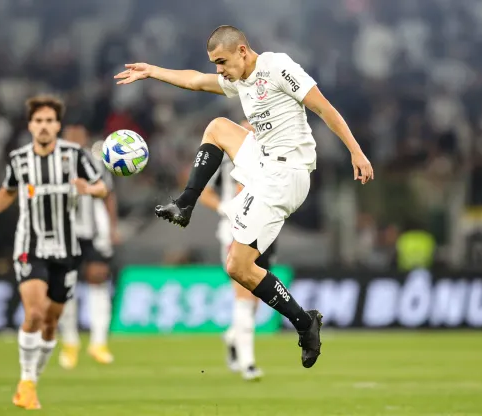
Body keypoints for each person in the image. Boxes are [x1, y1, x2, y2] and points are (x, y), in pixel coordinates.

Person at [114, 25, 374, 368]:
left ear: (242, 50)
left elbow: (323, 107)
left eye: (221, 61)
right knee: (218, 127)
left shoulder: (277, 66)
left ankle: (304, 323)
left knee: (238, 266)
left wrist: (356, 151)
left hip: (287, 174)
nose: (218, 69)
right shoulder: (239, 79)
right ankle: (185, 205)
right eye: (214, 63)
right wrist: (153, 71)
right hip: (265, 164)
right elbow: (195, 80)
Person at [0, 96, 109, 410]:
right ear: (31, 125)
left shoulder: (75, 156)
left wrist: (90, 189)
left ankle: (32, 379)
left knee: (50, 323)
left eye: (50, 121)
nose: (44, 126)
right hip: (29, 246)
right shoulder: (19, 159)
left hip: (66, 248)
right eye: (39, 121)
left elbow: (101, 187)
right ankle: (26, 382)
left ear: (58, 125)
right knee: (34, 313)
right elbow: (7, 191)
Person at [200, 119, 272, 381]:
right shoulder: (226, 157)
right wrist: (225, 209)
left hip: (266, 230)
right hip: (234, 229)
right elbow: (204, 192)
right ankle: (248, 363)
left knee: (255, 302)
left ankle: (233, 337)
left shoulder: (272, 153)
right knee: (243, 295)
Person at [57, 123, 119, 368]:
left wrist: (112, 227)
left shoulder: (96, 161)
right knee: (65, 286)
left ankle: (99, 342)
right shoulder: (52, 162)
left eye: (78, 134)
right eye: (70, 134)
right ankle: (70, 342)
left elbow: (108, 194)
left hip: (94, 232)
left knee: (98, 278)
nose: (74, 138)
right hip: (64, 232)